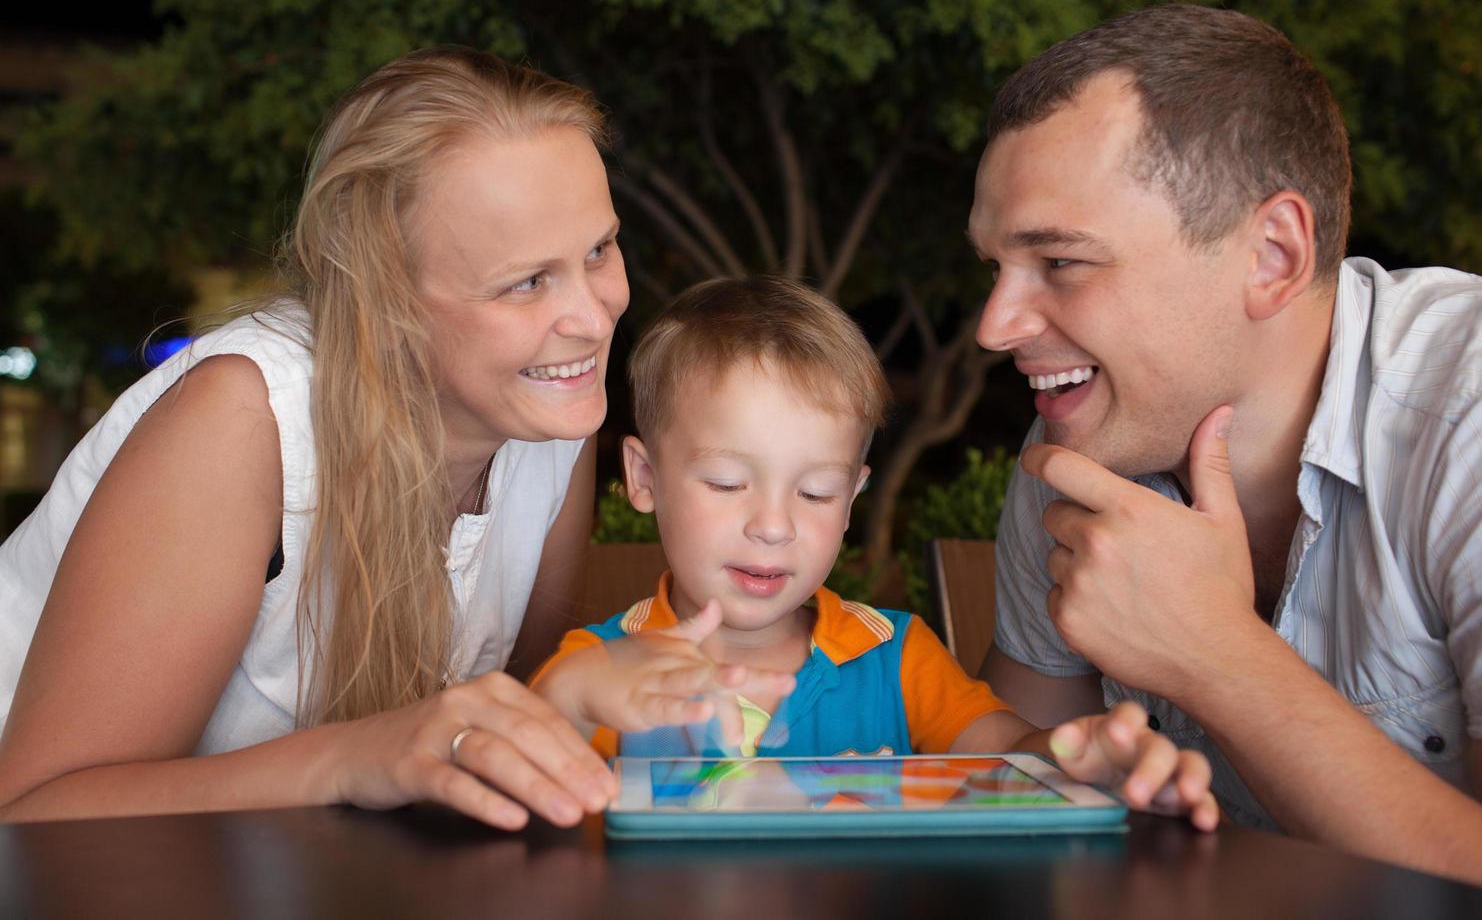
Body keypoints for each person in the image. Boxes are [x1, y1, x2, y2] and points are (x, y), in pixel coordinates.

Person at [0, 46, 721, 831]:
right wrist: (357, 756)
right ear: (390, 302)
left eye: (598, 250)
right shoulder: (242, 425)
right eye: (527, 282)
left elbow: (498, 737)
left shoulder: (547, 419)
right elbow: (34, 815)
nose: (594, 315)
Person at [969, 3, 1482, 881]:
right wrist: (1069, 778)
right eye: (995, 268)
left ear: (1272, 256)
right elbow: (1001, 805)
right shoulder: (1085, 444)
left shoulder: (1461, 417)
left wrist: (1216, 657)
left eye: (1061, 263)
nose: (994, 326)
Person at [531, 276, 1220, 828]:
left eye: (817, 492)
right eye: (727, 482)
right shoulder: (597, 671)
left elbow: (1009, 756)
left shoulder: (896, 658)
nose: (774, 526)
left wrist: (1082, 754)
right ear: (644, 479)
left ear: (855, 494)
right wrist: (568, 704)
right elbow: (519, 780)